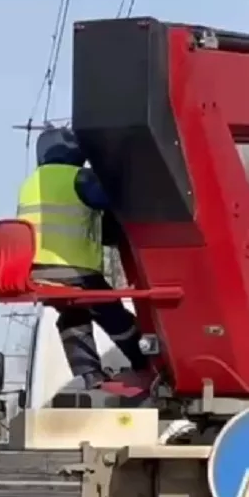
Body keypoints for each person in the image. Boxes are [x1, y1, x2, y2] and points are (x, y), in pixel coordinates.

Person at [18, 127, 154, 397]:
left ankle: (90, 375)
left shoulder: (31, 182)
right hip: (73, 269)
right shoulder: (77, 178)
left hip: (37, 271)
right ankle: (147, 363)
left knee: (72, 316)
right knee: (114, 315)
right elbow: (112, 198)